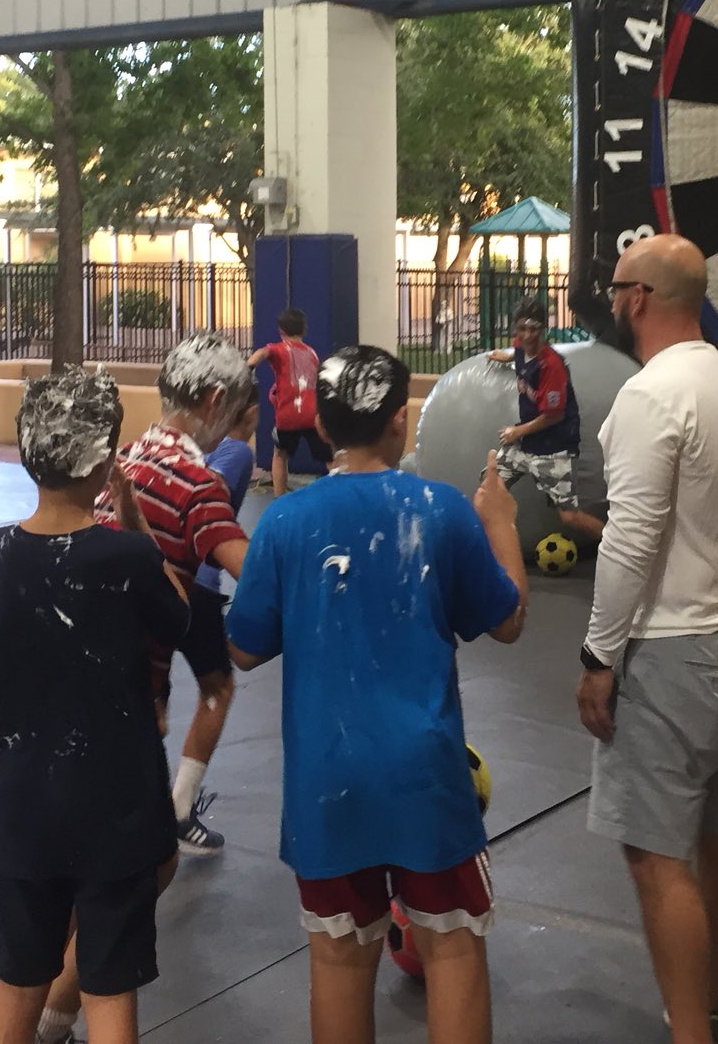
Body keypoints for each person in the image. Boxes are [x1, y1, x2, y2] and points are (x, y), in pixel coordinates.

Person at [227, 345, 528, 1044]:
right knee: (452, 946)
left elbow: (243, 646)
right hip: (424, 778)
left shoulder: (284, 522)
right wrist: (503, 524)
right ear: (401, 421)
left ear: (324, 429)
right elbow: (508, 620)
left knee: (336, 959)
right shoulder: (442, 510)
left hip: (326, 780)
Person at [577, 234, 718, 1044]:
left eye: (617, 288)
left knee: (658, 861)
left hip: (672, 657)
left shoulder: (652, 394)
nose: (612, 301)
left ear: (639, 299)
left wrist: (598, 655)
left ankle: (690, 1030)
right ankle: (706, 1008)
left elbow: (630, 536)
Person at [0, 367, 190, 1044]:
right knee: (109, 985)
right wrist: (138, 522)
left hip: (28, 807)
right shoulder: (127, 556)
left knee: (19, 976)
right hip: (117, 809)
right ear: (105, 463)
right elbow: (178, 619)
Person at [109, 332, 254, 855]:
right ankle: (176, 809)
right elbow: (252, 571)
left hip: (89, 663)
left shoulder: (124, 459)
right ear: (215, 401)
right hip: (137, 670)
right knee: (138, 866)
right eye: (236, 410)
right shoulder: (197, 482)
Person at [487, 299, 603, 545]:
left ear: (544, 328)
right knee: (489, 482)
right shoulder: (520, 346)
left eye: (535, 329)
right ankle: (496, 543)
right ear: (516, 329)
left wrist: (517, 431)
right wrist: (505, 357)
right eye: (523, 328)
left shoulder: (551, 366)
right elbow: (519, 352)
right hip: (528, 442)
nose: (528, 335)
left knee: (570, 517)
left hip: (554, 448)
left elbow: (555, 415)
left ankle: (619, 546)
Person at [248, 308, 326, 497]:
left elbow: (262, 352)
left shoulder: (279, 349)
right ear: (304, 330)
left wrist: (248, 368)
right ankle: (338, 493)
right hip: (311, 414)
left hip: (288, 416)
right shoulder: (313, 354)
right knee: (327, 458)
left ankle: (279, 497)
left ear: (281, 330)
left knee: (280, 456)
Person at [196, 397, 260, 595]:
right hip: (201, 578)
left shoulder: (205, 445)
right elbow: (207, 501)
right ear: (252, 412)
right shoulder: (239, 450)